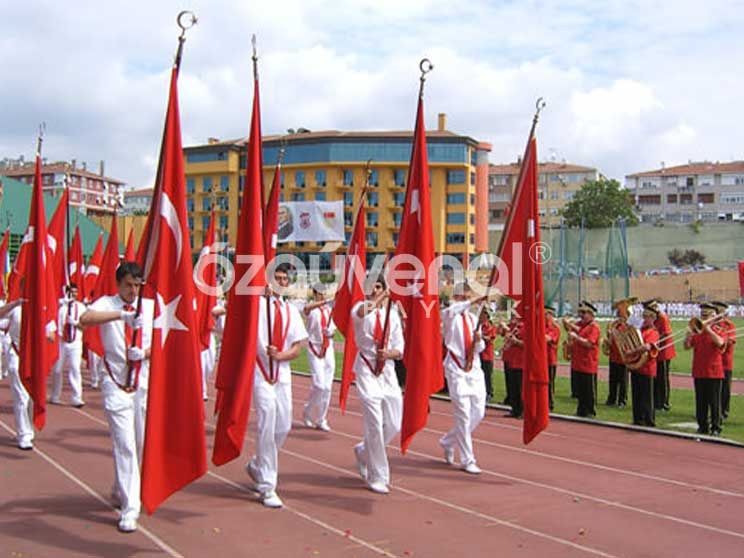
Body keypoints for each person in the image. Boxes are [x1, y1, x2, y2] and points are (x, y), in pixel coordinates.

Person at [79, 262, 154, 533]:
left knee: (140, 442)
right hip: (115, 383)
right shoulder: (108, 303)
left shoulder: (150, 306)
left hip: (141, 383)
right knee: (125, 445)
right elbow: (85, 319)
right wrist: (119, 316)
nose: (133, 290)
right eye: (128, 285)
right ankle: (130, 508)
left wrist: (145, 354)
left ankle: (119, 486)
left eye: (137, 285)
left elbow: (163, 343)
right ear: (118, 284)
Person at [244, 265, 308, 508]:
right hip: (261, 372)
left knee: (283, 425)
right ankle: (267, 486)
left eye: (284, 278)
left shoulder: (291, 310)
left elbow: (297, 346)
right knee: (267, 424)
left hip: (282, 372)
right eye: (277, 278)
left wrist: (281, 356)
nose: (280, 281)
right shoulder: (258, 307)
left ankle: (258, 464)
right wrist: (258, 294)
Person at [352, 275, 404, 494]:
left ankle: (364, 451)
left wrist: (389, 353)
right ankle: (378, 475)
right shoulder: (359, 308)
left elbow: (400, 350)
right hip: (366, 368)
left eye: (379, 286)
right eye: (371, 287)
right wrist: (384, 294)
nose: (374, 290)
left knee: (393, 423)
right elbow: (364, 312)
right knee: (374, 422)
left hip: (387, 371)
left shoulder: (392, 315)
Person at [439, 284, 489, 475]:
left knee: (478, 413)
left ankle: (447, 441)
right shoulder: (450, 315)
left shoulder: (473, 318)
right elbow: (451, 310)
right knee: (463, 415)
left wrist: (478, 340)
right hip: (456, 368)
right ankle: (468, 459)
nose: (464, 301)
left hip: (474, 369)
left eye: (466, 297)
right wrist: (473, 301)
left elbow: (480, 348)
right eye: (461, 297)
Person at [2, 298, 41, 450]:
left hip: (34, 359)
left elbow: (50, 332)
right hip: (17, 356)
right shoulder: (16, 308)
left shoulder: (42, 307)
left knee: (33, 397)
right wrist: (14, 304)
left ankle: (28, 430)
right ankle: (23, 434)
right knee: (21, 397)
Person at [684, 303, 726, 436]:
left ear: (713, 316)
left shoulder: (719, 329)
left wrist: (708, 329)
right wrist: (688, 335)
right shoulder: (698, 331)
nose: (703, 318)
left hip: (714, 371)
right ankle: (702, 426)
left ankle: (716, 427)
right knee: (700, 402)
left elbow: (720, 342)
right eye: (702, 315)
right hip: (699, 370)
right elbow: (686, 346)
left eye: (706, 315)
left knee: (714, 402)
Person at [302, 284, 336, 431]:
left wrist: (330, 332)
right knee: (319, 385)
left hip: (328, 349)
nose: (322, 295)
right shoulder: (310, 308)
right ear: (315, 293)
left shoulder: (329, 310)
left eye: (324, 293)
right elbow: (307, 310)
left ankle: (321, 419)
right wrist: (325, 302)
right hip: (314, 348)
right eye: (319, 293)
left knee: (327, 388)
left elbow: (333, 330)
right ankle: (307, 411)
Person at [50, 283, 86, 408]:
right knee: (57, 369)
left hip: (75, 342)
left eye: (76, 292)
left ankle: (77, 397)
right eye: (71, 292)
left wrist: (75, 323)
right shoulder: (61, 308)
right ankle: (55, 395)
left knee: (75, 369)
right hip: (62, 342)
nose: (74, 294)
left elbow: (85, 326)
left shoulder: (81, 308)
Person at [566, 301, 600, 418]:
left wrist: (577, 338)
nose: (581, 315)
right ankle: (581, 410)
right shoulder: (580, 325)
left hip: (588, 362)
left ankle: (590, 411)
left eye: (584, 313)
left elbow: (589, 343)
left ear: (591, 314)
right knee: (580, 390)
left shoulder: (594, 327)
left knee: (588, 390)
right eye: (580, 312)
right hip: (577, 362)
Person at [629, 307, 660, 426]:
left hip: (647, 368)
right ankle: (637, 419)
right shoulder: (640, 330)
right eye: (643, 316)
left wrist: (632, 352)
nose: (644, 319)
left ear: (653, 318)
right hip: (636, 366)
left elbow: (647, 347)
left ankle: (649, 420)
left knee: (647, 397)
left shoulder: (653, 332)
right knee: (636, 395)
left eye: (647, 317)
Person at [604, 297, 636, 408]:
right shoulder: (614, 324)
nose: (618, 313)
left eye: (620, 310)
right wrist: (608, 339)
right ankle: (612, 398)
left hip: (623, 355)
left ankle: (622, 400)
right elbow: (610, 339)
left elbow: (628, 337)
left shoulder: (629, 325)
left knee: (623, 380)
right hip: (614, 355)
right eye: (618, 311)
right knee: (613, 379)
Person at [645, 299, 675, 412]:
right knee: (656, 378)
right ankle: (656, 400)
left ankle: (664, 402)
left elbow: (666, 333)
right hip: (655, 351)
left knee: (663, 378)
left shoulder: (662, 317)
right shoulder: (653, 317)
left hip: (664, 352)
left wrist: (655, 341)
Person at [712, 301, 736, 420]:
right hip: (714, 363)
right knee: (714, 390)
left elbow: (730, 341)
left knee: (725, 389)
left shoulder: (729, 325)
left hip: (725, 362)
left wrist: (721, 338)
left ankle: (724, 410)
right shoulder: (711, 325)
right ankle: (715, 411)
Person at [544, 306, 560, 411]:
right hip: (541, 360)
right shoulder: (542, 326)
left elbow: (548, 339)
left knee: (549, 384)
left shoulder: (554, 328)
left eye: (546, 314)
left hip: (550, 359)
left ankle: (550, 404)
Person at [479, 307, 497, 402]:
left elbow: (490, 338)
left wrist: (480, 336)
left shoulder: (491, 327)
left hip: (487, 354)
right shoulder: (479, 326)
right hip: (479, 354)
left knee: (487, 375)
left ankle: (489, 392)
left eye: (484, 314)